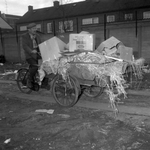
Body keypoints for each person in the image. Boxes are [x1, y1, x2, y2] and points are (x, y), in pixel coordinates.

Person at [22, 23, 42, 88]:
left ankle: (43, 81)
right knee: (35, 67)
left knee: (44, 65)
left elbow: (41, 44)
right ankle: (29, 81)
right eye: (33, 28)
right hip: (29, 55)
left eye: (35, 28)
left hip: (37, 54)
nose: (35, 29)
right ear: (29, 30)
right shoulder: (25, 36)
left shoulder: (37, 35)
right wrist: (31, 51)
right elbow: (25, 46)